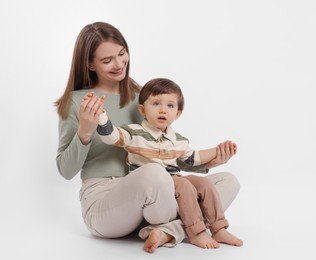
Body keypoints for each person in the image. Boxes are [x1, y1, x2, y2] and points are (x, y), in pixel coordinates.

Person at [54, 21, 240, 254]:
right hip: (105, 200)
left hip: (157, 196)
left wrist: (210, 162)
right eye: (107, 60)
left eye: (122, 54)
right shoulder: (76, 102)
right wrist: (85, 131)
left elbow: (163, 152)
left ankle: (165, 231)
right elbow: (65, 170)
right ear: (89, 64)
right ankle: (182, 227)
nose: (119, 63)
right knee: (155, 173)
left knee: (227, 181)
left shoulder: (141, 96)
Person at [92, 77, 243, 249]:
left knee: (204, 184)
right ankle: (197, 233)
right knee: (184, 185)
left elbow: (195, 158)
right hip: (153, 184)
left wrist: (218, 150)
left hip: (175, 179)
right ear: (142, 109)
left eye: (170, 105)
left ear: (177, 113)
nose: (163, 110)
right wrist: (101, 117)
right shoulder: (135, 132)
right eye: (156, 103)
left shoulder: (178, 140)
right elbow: (112, 137)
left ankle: (218, 228)